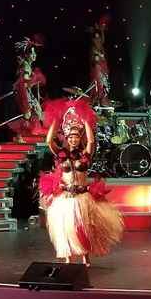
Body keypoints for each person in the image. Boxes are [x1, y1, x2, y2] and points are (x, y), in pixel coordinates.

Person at [39, 98, 123, 265]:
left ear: (79, 139)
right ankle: (68, 257)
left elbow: (91, 141)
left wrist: (86, 120)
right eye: (71, 137)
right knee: (66, 228)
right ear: (67, 138)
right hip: (65, 197)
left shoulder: (85, 155)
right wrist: (55, 120)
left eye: (76, 137)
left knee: (82, 228)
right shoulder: (60, 154)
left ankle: (85, 256)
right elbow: (49, 141)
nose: (73, 139)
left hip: (82, 196)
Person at [11, 35, 47, 141]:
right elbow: (24, 80)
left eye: (35, 53)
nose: (34, 55)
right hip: (23, 92)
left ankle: (37, 132)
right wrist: (34, 79)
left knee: (37, 111)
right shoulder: (26, 66)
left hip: (26, 91)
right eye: (32, 53)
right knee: (28, 114)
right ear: (27, 55)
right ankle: (20, 136)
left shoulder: (27, 65)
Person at [89, 15, 111, 106]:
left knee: (104, 84)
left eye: (98, 38)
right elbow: (95, 61)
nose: (98, 40)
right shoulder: (94, 49)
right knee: (98, 85)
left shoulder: (101, 47)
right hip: (98, 69)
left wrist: (101, 29)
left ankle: (103, 100)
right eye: (96, 38)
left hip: (103, 68)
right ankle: (97, 100)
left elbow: (103, 39)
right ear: (93, 40)